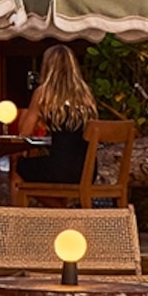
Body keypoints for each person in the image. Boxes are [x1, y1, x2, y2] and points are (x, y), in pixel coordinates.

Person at [16, 44, 101, 188]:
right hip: (88, 169)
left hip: (59, 167)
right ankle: (62, 210)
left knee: (18, 167)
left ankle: (17, 210)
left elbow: (25, 132)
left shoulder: (43, 94)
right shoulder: (86, 95)